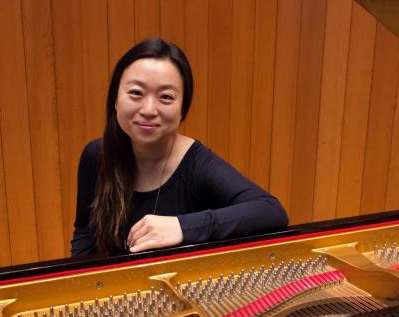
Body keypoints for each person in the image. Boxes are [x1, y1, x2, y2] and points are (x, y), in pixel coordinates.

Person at [71, 38, 288, 257]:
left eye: (165, 97)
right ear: (115, 99)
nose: (148, 109)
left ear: (182, 109)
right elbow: (85, 234)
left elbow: (271, 210)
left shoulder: (198, 165)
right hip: (114, 288)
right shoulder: (96, 155)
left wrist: (183, 227)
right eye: (136, 93)